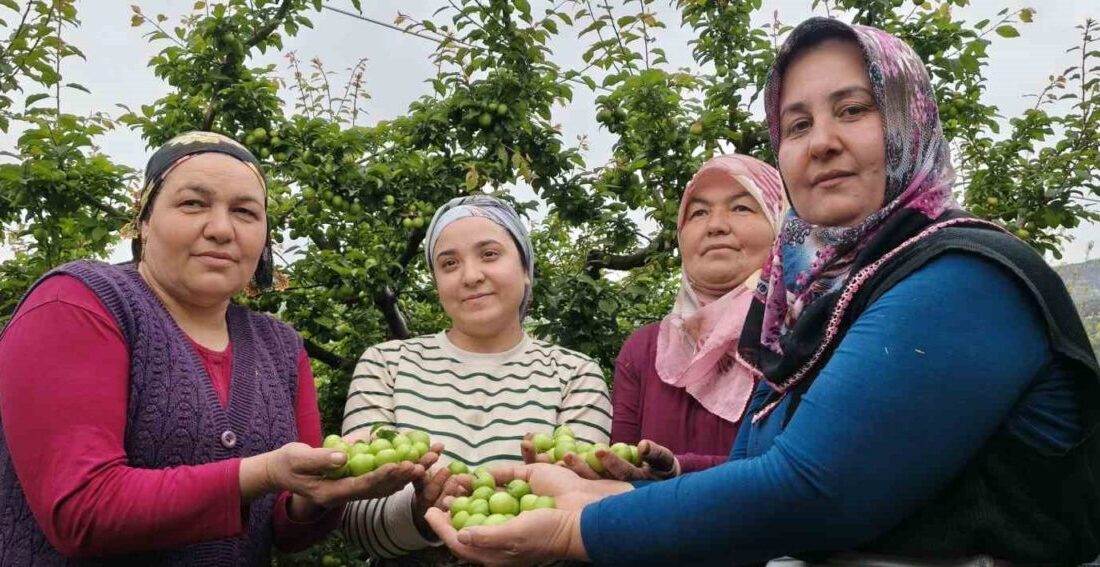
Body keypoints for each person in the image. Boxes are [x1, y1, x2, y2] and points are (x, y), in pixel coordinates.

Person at [424, 17, 1100, 566]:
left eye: (854, 110)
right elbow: (760, 468)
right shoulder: (819, 303)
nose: (822, 143)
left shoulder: (963, 277)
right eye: (798, 125)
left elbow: (810, 490)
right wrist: (604, 487)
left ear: (909, 119)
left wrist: (579, 525)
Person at [0, 131, 433, 565]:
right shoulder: (78, 303)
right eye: (193, 203)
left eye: (245, 212)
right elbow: (82, 512)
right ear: (145, 220)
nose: (222, 229)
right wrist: (260, 473)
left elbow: (285, 527)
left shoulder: (281, 347)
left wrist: (325, 493)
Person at [341, 195, 612, 565]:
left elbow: (581, 513)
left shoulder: (575, 374)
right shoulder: (386, 364)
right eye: (449, 263)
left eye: (489, 254)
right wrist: (419, 510)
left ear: (526, 268)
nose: (470, 276)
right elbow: (356, 522)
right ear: (436, 281)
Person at [605, 154, 786, 478]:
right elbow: (621, 467)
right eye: (699, 212)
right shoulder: (643, 351)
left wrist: (679, 470)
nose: (716, 225)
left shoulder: (802, 336)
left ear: (779, 223)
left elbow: (798, 472)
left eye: (741, 207)